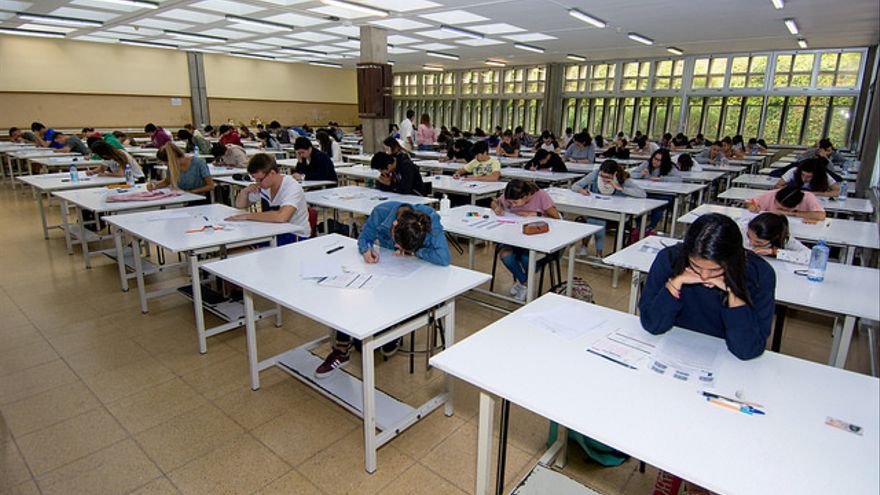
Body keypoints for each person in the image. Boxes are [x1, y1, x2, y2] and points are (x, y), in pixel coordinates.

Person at [315, 201, 450, 378]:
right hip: (386, 269)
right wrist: (367, 250)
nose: (397, 248)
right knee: (354, 293)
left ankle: (391, 330)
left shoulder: (429, 218)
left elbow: (444, 257)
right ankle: (341, 348)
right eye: (397, 243)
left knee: (397, 298)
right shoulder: (381, 212)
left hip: (415, 275)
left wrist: (415, 253)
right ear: (394, 226)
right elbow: (364, 237)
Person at [638, 213, 776, 360]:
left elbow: (748, 350)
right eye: (695, 265)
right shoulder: (670, 258)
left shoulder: (759, 274)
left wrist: (735, 296)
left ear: (732, 261)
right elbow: (652, 325)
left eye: (715, 269)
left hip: (726, 355)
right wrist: (675, 283)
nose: (704, 276)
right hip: (674, 346)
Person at [491, 180, 560, 301]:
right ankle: (524, 282)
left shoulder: (541, 196)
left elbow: (557, 218)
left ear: (526, 196)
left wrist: (536, 214)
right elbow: (495, 202)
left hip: (538, 240)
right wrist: (497, 207)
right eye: (510, 202)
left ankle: (523, 283)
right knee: (505, 254)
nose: (512, 205)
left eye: (515, 202)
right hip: (515, 237)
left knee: (526, 258)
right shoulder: (511, 196)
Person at [225, 153, 310, 244]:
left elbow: (282, 217)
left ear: (272, 173)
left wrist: (247, 216)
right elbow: (240, 205)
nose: (258, 182)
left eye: (260, 179)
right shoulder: (265, 186)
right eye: (255, 179)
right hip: (273, 230)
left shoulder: (291, 186)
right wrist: (246, 191)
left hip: (295, 235)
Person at [571, 160, 646, 256]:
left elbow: (642, 194)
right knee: (595, 218)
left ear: (614, 173)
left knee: (596, 219)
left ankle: (588, 248)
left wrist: (620, 188)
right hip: (597, 207)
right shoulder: (595, 174)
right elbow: (575, 185)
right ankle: (598, 253)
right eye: (602, 176)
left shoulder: (622, 177)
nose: (604, 179)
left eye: (607, 177)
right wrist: (581, 190)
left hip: (615, 210)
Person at [147, 143, 214, 196]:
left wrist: (190, 192)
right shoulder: (172, 166)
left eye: (166, 162)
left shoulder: (198, 163)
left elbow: (210, 186)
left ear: (171, 160)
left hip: (200, 199)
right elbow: (167, 182)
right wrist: (155, 185)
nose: (166, 165)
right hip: (182, 197)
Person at [742, 213, 810, 263]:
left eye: (758, 242)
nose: (751, 242)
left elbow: (810, 256)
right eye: (748, 236)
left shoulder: (783, 239)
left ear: (773, 238)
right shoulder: (742, 228)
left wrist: (774, 252)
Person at [746, 185, 826, 222]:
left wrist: (791, 213)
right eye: (778, 204)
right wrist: (751, 206)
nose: (779, 208)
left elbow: (821, 215)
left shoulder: (808, 197)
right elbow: (748, 201)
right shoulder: (773, 194)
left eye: (784, 208)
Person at [773, 158, 840, 197]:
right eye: (802, 175)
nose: (804, 179)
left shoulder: (824, 175)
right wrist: (792, 191)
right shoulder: (793, 171)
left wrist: (817, 193)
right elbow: (777, 186)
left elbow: (837, 191)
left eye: (809, 177)